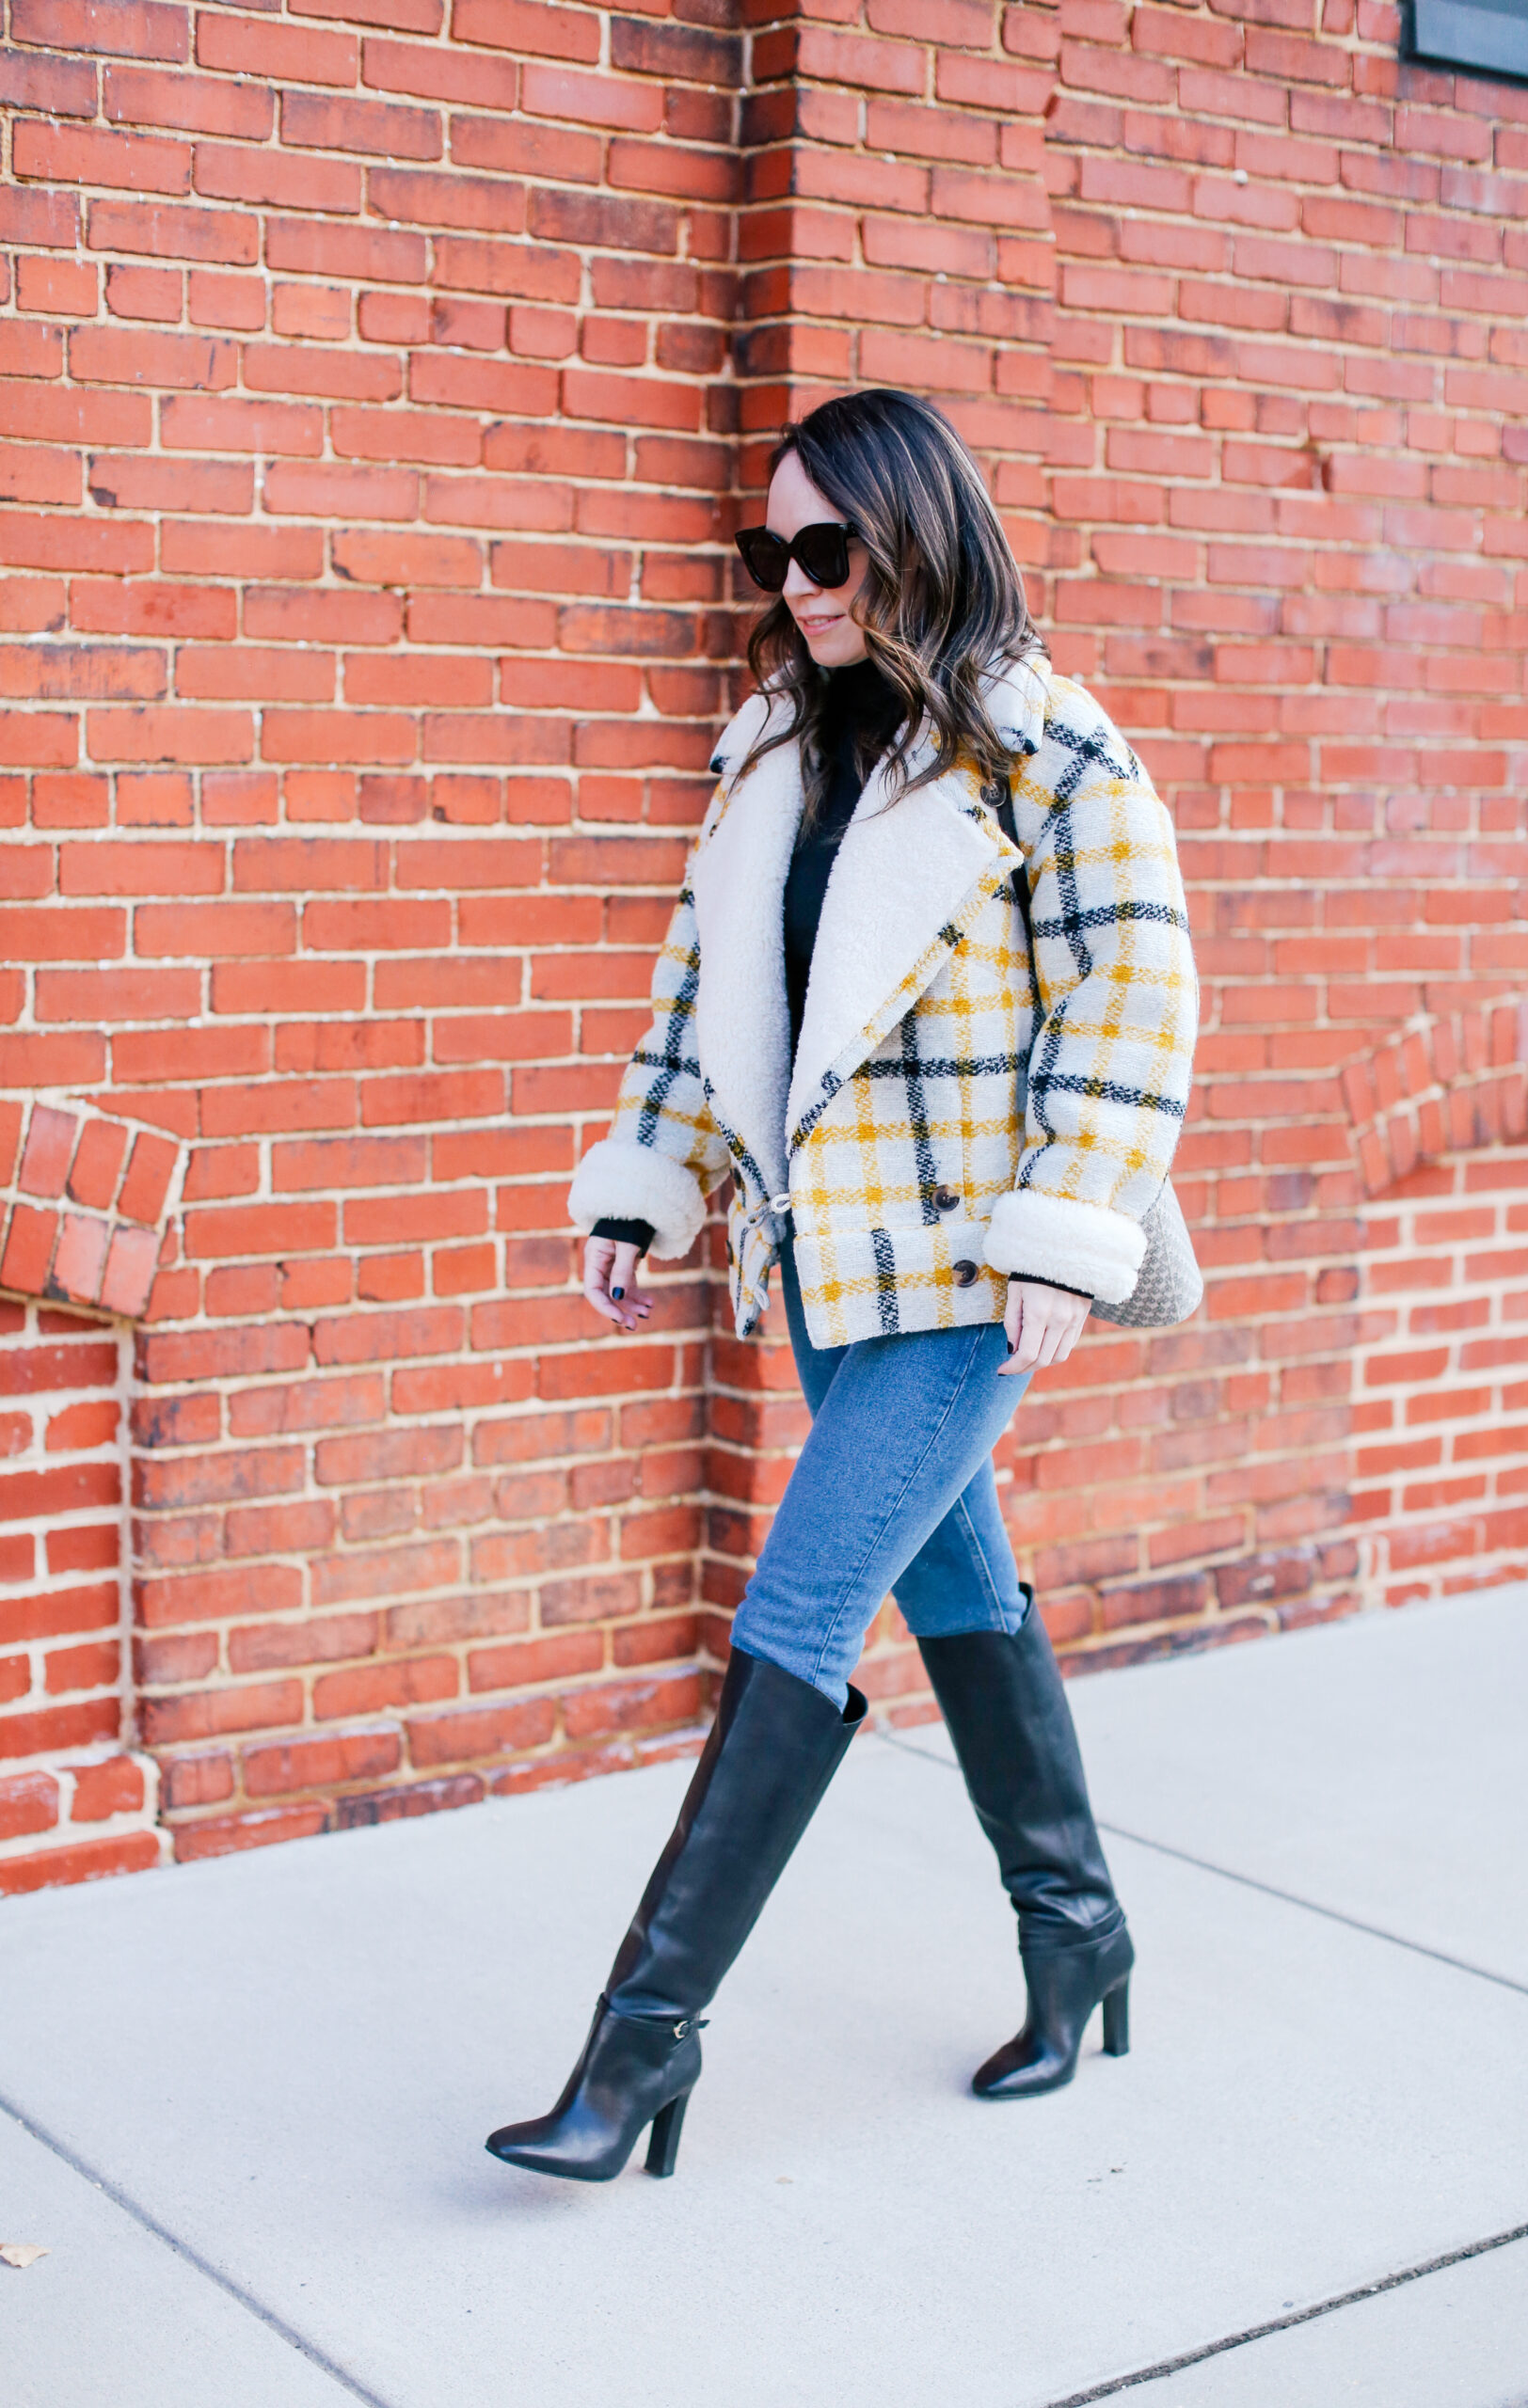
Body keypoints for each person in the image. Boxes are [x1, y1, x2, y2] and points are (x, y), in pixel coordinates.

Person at [485, 388, 1198, 2183]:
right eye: (773, 548)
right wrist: (648, 1188)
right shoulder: (771, 751)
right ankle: (1081, 1932)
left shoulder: (1048, 749)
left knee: (801, 1611)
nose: (797, 579)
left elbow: (1132, 999)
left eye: (830, 545)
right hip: (822, 1254)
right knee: (957, 1584)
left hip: (970, 1271)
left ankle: (638, 2049)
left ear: (915, 535)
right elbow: (699, 996)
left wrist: (1067, 1222)